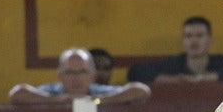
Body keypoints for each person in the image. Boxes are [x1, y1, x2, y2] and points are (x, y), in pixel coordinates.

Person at [9, 47, 151, 104]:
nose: (76, 78)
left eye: (82, 72)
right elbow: (16, 94)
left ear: (93, 76)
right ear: (60, 76)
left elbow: (141, 91)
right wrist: (57, 101)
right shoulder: (53, 92)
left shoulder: (98, 92)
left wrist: (98, 101)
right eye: (70, 72)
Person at [131, 16, 223, 85]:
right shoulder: (173, 64)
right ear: (183, 41)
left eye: (200, 35)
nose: (194, 41)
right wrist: (171, 80)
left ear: (210, 41)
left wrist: (200, 79)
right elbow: (135, 72)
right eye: (188, 36)